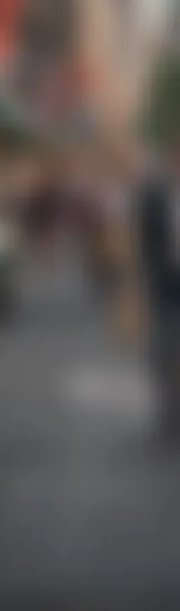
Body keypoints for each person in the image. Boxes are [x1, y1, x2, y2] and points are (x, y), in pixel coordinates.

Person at [138, 139, 180, 440]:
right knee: (165, 355)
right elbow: (144, 242)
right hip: (166, 286)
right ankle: (170, 416)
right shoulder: (154, 196)